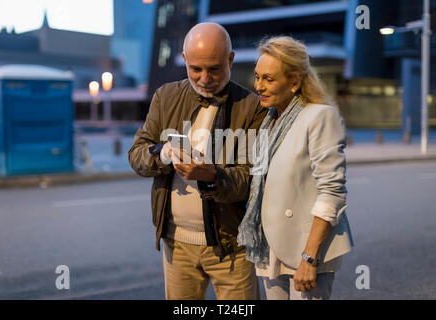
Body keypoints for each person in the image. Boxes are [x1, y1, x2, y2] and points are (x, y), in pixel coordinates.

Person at [128, 22, 267, 300]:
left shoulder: (252, 106)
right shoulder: (165, 97)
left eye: (214, 68)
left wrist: (212, 175)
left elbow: (254, 180)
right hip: (176, 243)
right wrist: (163, 153)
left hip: (232, 247)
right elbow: (137, 154)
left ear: (230, 59)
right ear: (184, 59)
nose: (205, 78)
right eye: (196, 69)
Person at [238, 36, 354, 300]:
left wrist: (309, 258)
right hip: (271, 247)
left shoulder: (319, 116)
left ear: (295, 81)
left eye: (269, 79)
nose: (259, 86)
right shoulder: (269, 121)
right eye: (257, 77)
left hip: (306, 248)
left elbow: (332, 193)